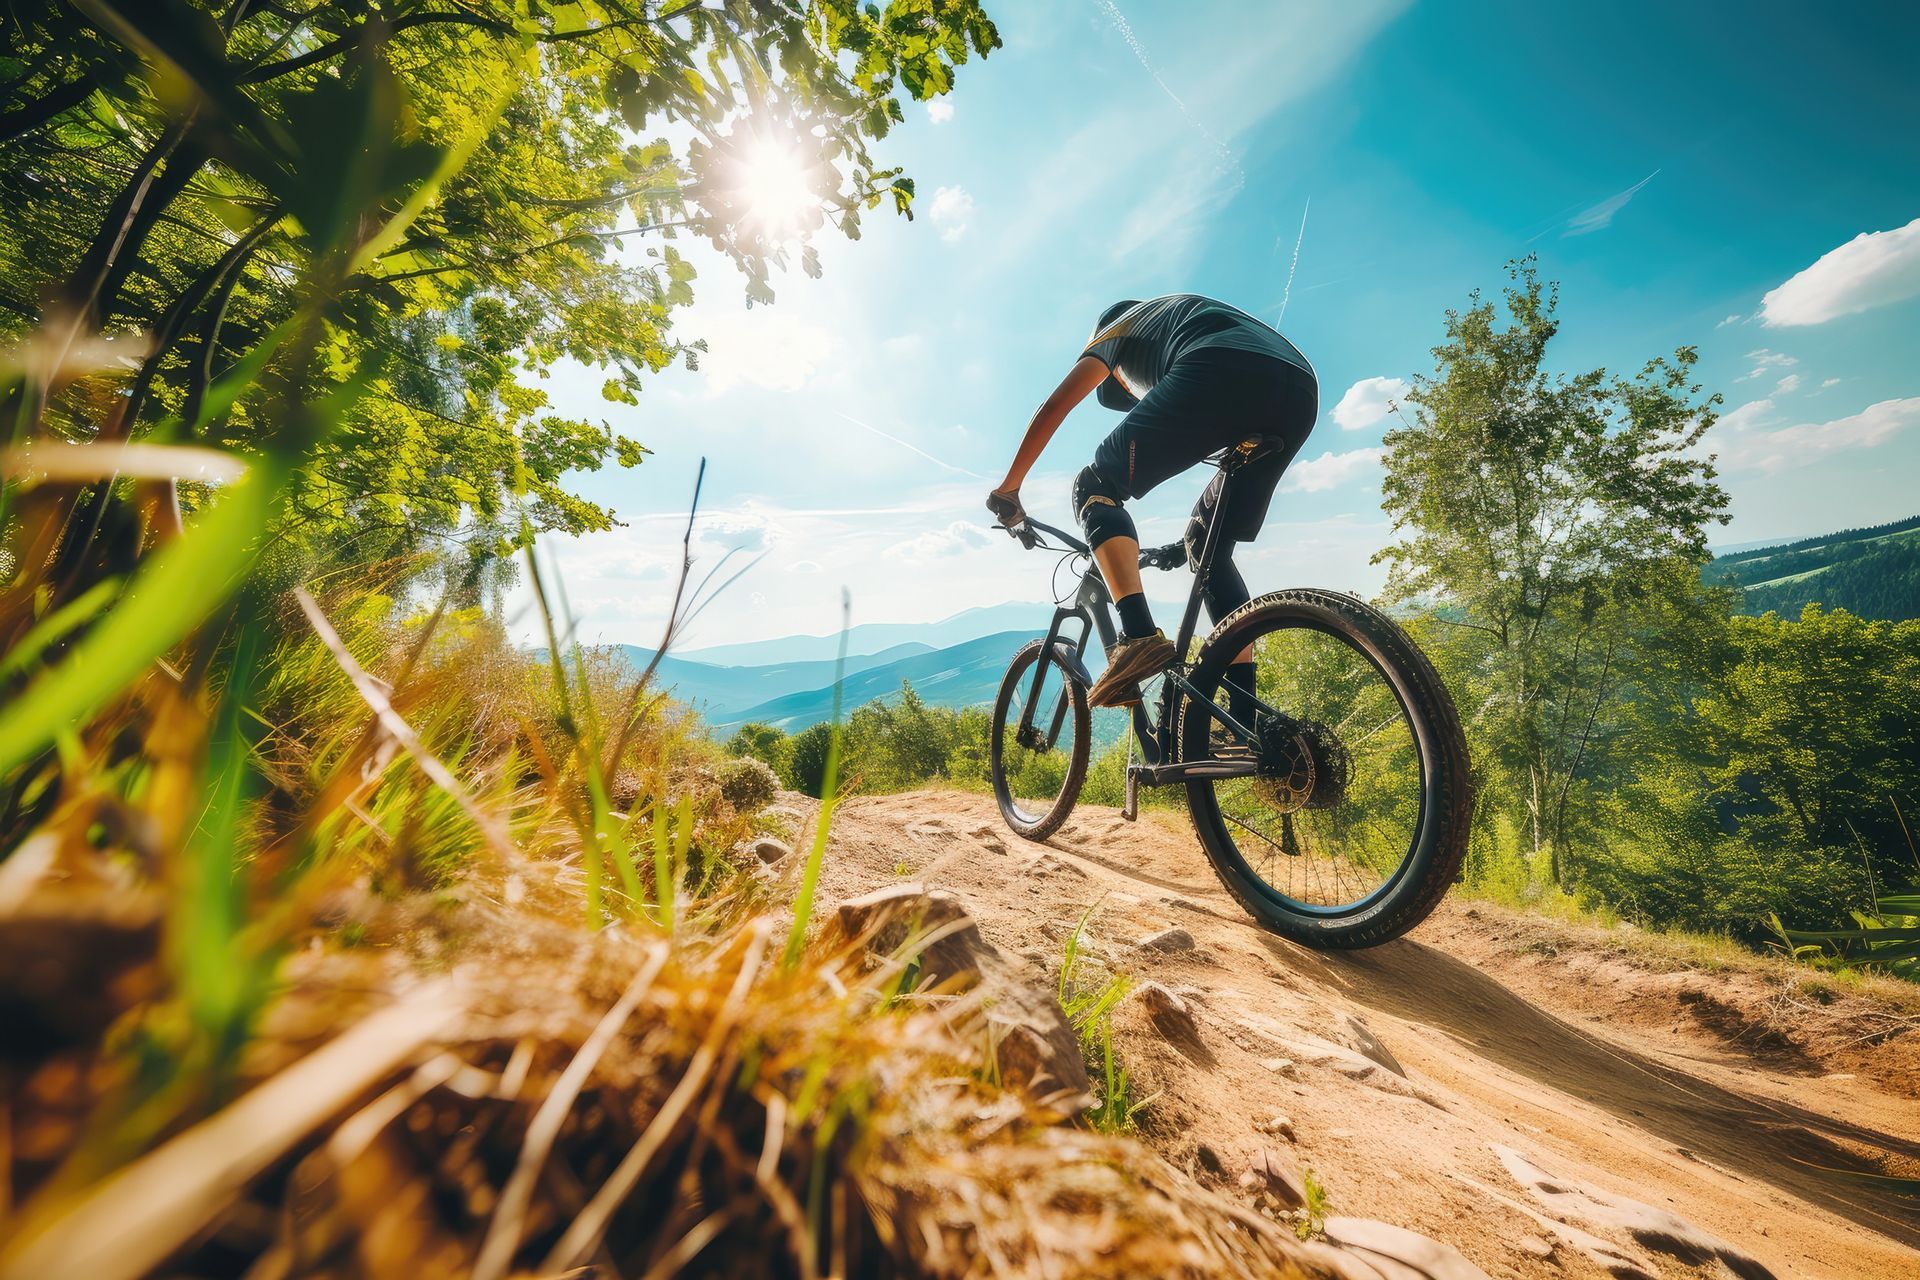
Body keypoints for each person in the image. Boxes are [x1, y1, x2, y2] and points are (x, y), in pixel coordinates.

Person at [986, 294, 1318, 711]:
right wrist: (1183, 545)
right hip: (1300, 388)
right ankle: (1244, 712)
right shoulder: (1176, 320)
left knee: (1095, 485)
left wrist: (1010, 487)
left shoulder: (1120, 325)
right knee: (1208, 548)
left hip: (1220, 363)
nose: (1128, 391)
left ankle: (1139, 637)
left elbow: (1056, 404)